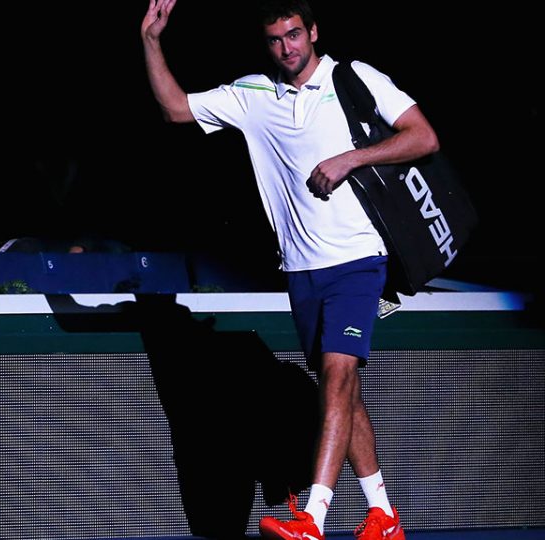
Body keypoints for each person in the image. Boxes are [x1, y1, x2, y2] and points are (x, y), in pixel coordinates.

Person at [141, 1, 440, 539]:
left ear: (314, 31)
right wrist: (152, 41)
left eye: (295, 34)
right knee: (343, 392)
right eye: (277, 39)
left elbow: (423, 136)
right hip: (301, 272)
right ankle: (384, 515)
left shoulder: (355, 78)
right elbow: (176, 109)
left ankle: (314, 518)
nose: (288, 48)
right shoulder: (254, 95)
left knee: (337, 375)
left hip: (359, 259)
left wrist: (352, 159)